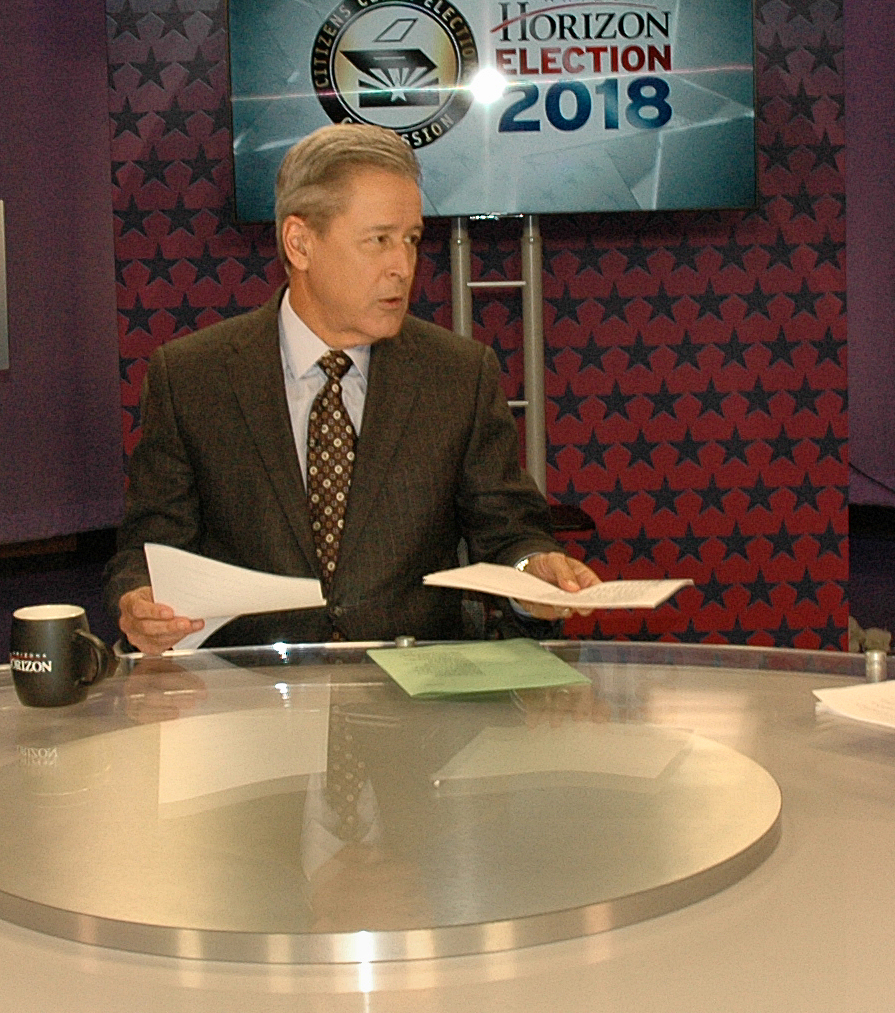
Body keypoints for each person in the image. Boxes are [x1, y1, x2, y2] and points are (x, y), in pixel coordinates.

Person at [105, 123, 598, 653]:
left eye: (411, 240)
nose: (403, 267)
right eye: (378, 240)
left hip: (416, 701)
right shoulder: (193, 377)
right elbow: (150, 547)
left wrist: (533, 571)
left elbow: (509, 534)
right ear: (300, 243)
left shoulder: (458, 375)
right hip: (250, 699)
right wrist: (139, 600)